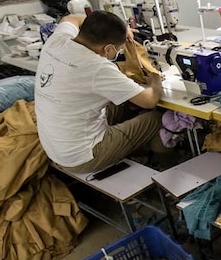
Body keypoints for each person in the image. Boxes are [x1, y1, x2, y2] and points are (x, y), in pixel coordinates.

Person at [35, 11, 163, 174]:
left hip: (56, 147)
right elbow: (150, 100)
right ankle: (163, 168)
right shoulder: (98, 67)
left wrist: (123, 29)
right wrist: (156, 81)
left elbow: (71, 18)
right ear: (108, 49)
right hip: (82, 157)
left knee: (125, 106)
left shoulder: (57, 40)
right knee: (155, 117)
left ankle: (136, 151)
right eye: (118, 49)